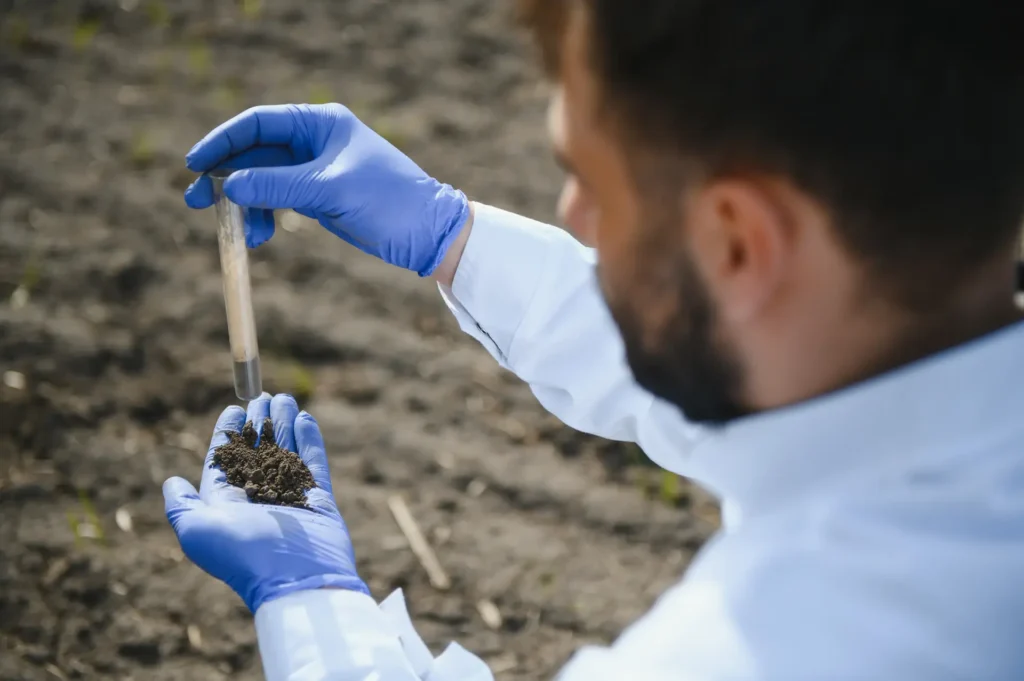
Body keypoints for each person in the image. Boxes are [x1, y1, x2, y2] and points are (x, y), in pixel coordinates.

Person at [163, 1, 1024, 679]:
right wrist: (452, 237)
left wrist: (310, 604)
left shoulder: (775, 648)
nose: (574, 215)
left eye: (587, 180)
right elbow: (741, 346)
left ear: (734, 241)